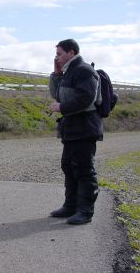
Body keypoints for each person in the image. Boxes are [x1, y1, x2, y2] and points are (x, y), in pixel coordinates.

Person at [48, 39, 102, 225]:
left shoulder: (84, 70)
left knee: (84, 169)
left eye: (60, 53)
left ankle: (85, 211)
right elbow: (56, 94)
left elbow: (86, 98)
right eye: (56, 54)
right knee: (68, 166)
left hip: (84, 128)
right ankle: (70, 206)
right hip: (72, 128)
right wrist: (56, 74)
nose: (57, 57)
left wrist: (61, 107)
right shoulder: (69, 71)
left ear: (71, 52)